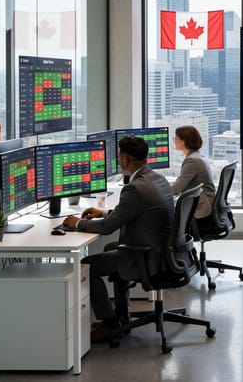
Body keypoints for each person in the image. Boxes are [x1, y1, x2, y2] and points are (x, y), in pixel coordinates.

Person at [63, 136, 174, 342]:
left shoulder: (134, 188)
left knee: (87, 266)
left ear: (124, 160)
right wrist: (104, 212)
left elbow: (107, 228)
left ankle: (110, 324)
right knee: (110, 247)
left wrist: (77, 223)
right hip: (163, 251)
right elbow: (134, 210)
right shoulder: (157, 178)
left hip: (146, 256)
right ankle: (122, 313)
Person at [171, 125, 216, 226]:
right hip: (207, 204)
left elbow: (175, 190)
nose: (174, 141)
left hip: (201, 210)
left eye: (176, 138)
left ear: (183, 141)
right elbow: (183, 183)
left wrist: (156, 191)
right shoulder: (198, 156)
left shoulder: (192, 160)